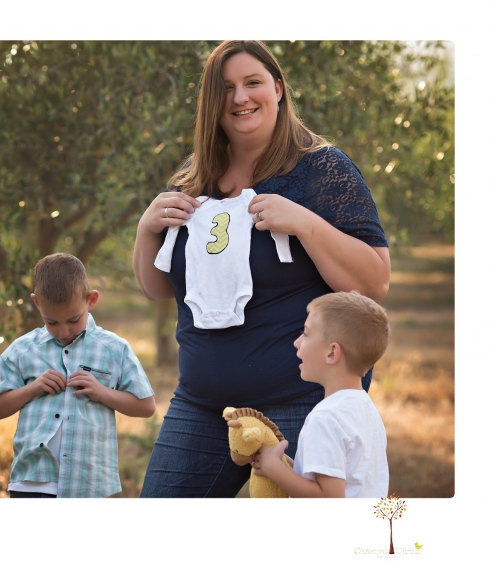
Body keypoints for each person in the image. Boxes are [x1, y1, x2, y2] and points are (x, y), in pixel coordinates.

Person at [133, 41, 390, 497]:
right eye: (226, 88)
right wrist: (146, 229)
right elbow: (159, 288)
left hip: (301, 401)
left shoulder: (321, 169)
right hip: (202, 405)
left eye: (252, 82)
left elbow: (375, 281)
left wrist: (306, 224)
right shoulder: (193, 178)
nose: (240, 97)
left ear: (278, 88)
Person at [0, 253, 156, 497]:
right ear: (37, 303)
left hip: (89, 482)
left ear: (91, 300)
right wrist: (32, 388)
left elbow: (146, 406)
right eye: (51, 322)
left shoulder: (114, 349)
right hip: (32, 482)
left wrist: (102, 393)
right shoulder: (22, 350)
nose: (64, 331)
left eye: (74, 320)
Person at [242, 291, 390, 498]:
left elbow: (328, 498)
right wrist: (283, 463)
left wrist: (273, 467)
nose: (296, 342)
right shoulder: (365, 409)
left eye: (305, 333)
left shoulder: (326, 418)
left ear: (331, 353)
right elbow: (338, 476)